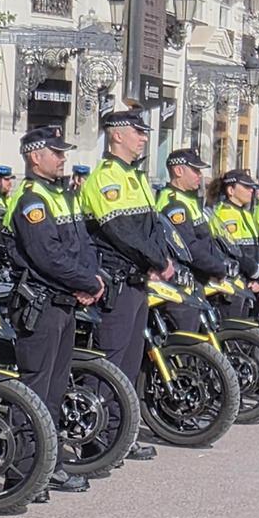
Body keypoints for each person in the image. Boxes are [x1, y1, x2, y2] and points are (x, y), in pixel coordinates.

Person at [4, 125, 100, 500]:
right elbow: (46, 256)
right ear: (35, 156)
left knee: (55, 391)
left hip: (65, 301)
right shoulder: (31, 200)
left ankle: (49, 465)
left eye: (64, 152)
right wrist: (85, 282)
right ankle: (22, 472)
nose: (63, 158)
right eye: (56, 152)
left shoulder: (62, 195)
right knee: (34, 390)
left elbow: (81, 245)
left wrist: (92, 278)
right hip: (40, 304)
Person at [78, 106, 173, 462]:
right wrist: (157, 260)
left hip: (137, 282)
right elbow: (121, 232)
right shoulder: (106, 178)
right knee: (109, 363)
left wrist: (162, 257)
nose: (143, 137)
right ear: (117, 134)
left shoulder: (136, 176)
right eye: (138, 131)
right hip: (117, 281)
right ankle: (94, 436)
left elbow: (151, 228)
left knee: (130, 364)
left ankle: (122, 434)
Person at [156, 149, 231, 331]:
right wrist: (217, 268)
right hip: (181, 284)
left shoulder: (188, 200)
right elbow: (189, 248)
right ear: (178, 171)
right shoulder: (173, 203)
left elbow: (207, 240)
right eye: (195, 170)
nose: (200, 176)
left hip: (196, 281)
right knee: (187, 342)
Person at [207, 169, 259, 318]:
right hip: (230, 285)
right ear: (231, 190)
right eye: (246, 187)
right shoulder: (224, 214)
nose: (251, 191)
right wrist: (258, 273)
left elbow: (255, 247)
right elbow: (235, 253)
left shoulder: (246, 214)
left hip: (247, 282)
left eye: (252, 187)